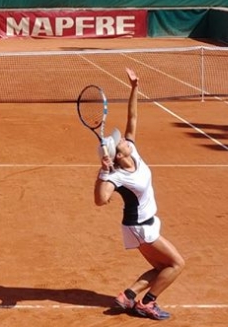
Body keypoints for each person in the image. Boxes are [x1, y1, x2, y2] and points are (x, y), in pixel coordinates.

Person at [94, 68, 185, 321]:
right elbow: (101, 200)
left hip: (144, 223)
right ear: (118, 154)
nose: (122, 136)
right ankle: (147, 303)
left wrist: (134, 87)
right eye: (120, 140)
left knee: (160, 267)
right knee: (176, 265)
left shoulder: (131, 149)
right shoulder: (116, 176)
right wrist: (102, 173)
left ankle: (128, 295)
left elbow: (132, 117)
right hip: (139, 227)